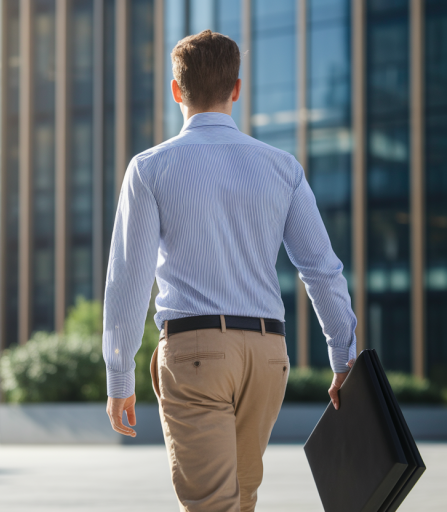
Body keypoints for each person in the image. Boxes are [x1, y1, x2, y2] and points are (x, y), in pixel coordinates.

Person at [102, 30, 357, 512]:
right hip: (268, 358)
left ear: (176, 91)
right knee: (240, 501)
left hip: (195, 354)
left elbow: (129, 282)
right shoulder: (283, 167)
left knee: (212, 505)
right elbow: (322, 270)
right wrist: (343, 359)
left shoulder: (150, 168)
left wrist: (118, 376)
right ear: (236, 89)